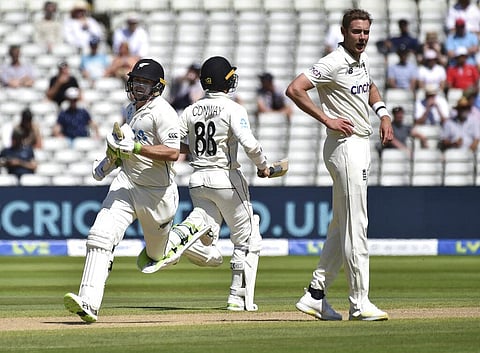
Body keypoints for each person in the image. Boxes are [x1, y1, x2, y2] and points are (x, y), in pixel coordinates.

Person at [63, 58, 211, 323]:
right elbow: (127, 150)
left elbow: (174, 152)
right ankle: (88, 303)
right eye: (136, 82)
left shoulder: (163, 112)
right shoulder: (130, 110)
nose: (138, 87)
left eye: (144, 83)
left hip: (157, 194)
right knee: (99, 236)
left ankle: (191, 231)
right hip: (126, 184)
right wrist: (111, 157)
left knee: (156, 257)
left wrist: (137, 149)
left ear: (157, 87)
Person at [285, 9, 392, 321]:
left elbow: (370, 86)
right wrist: (326, 118)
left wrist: (383, 113)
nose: (362, 37)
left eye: (366, 32)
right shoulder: (333, 62)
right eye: (356, 32)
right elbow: (294, 89)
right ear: (344, 31)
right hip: (344, 146)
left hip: (359, 144)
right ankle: (359, 302)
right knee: (356, 225)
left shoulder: (361, 60)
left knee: (340, 225)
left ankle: (315, 294)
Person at [175, 56, 270, 311]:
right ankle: (237, 298)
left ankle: (181, 237)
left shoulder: (191, 109)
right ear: (223, 81)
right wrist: (264, 166)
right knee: (248, 239)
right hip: (225, 178)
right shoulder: (233, 108)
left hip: (196, 180)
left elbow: (173, 142)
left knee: (208, 237)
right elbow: (249, 143)